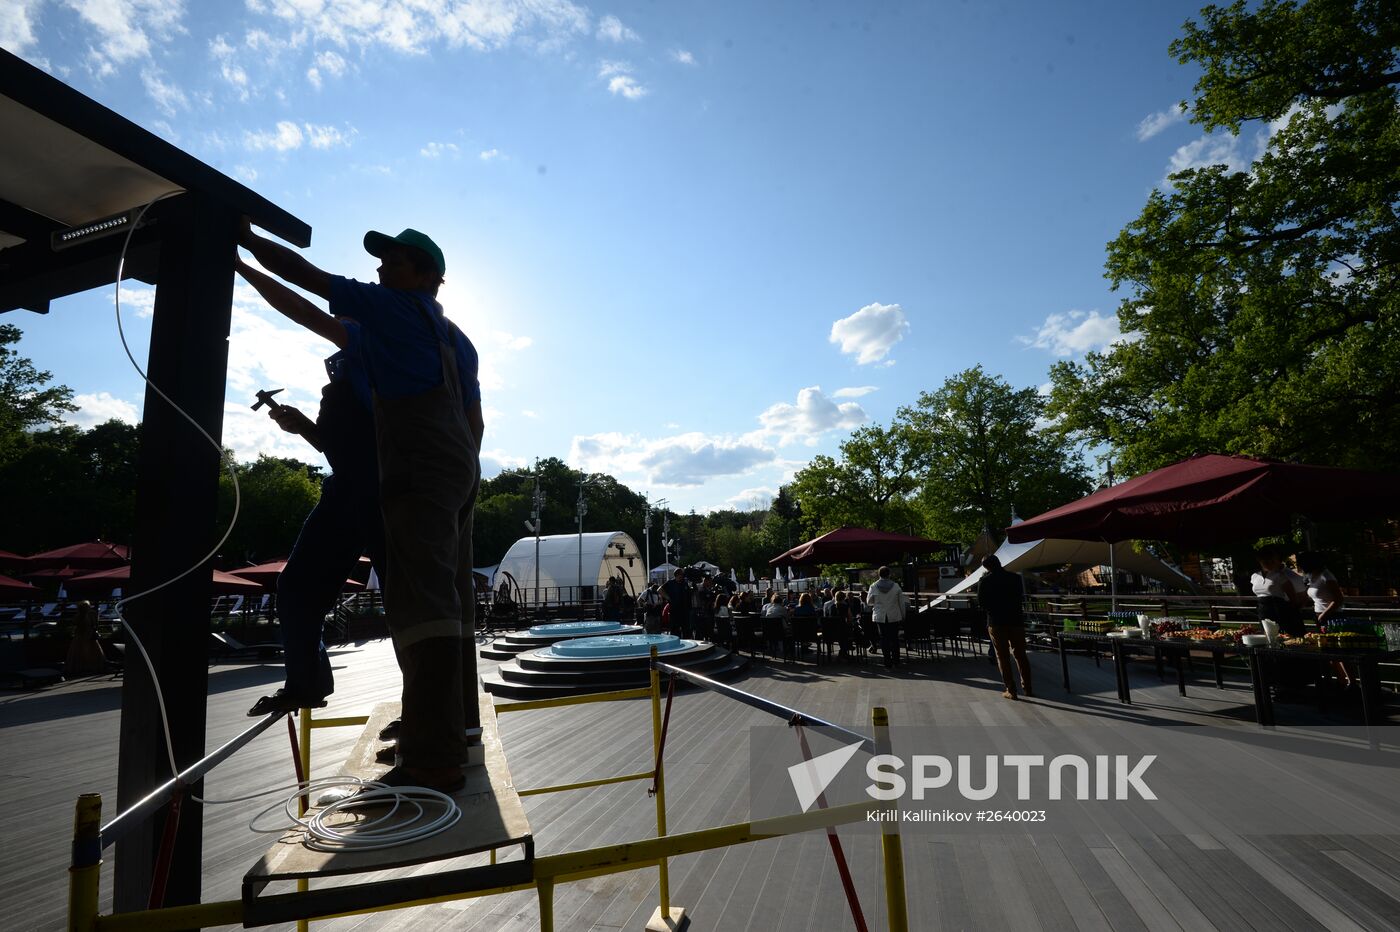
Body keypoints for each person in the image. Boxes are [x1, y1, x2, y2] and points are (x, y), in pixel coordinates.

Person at [239, 221, 483, 793]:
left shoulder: (394, 310)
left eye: (394, 262)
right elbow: (474, 418)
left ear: (426, 277)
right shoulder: (455, 339)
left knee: (421, 608)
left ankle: (433, 759)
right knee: (449, 602)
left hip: (414, 471)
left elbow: (306, 288)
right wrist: (459, 473)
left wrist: (243, 246)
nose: (380, 270)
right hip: (456, 469)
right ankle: (455, 726)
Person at [234, 261, 388, 717]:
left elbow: (303, 309)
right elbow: (341, 448)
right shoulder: (338, 386)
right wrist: (303, 427)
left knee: (404, 599)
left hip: (386, 493)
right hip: (348, 491)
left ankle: (426, 707)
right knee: (297, 586)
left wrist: (241, 263)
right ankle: (305, 681)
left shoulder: (380, 362)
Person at [977, 555, 1033, 699]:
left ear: (986, 567)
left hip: (996, 621)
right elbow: (1019, 597)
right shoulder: (1015, 578)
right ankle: (1028, 688)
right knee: (1021, 655)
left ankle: (1011, 690)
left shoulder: (985, 581)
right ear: (999, 562)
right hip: (1016, 620)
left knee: (1002, 657)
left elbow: (981, 603)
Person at [1297, 551, 1352, 689]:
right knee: (1329, 652)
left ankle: (1352, 682)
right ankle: (1341, 682)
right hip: (1320, 616)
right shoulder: (1312, 576)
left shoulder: (1326, 576)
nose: (1300, 567)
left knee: (1339, 651)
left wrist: (1324, 615)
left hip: (1333, 617)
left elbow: (1338, 599)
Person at [1251, 545, 1305, 637]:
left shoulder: (1280, 576)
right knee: (1267, 635)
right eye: (1265, 561)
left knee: (1281, 636)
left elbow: (1293, 599)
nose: (1269, 563)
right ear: (1260, 561)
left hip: (1278, 610)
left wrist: (1292, 613)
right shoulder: (1255, 576)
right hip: (1262, 610)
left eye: (1272, 561)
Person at [867, 566, 905, 668]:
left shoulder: (873, 586)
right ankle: (896, 660)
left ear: (879, 574)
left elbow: (869, 602)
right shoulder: (896, 586)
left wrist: (876, 601)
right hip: (894, 615)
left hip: (880, 615)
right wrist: (903, 615)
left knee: (884, 638)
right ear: (889, 574)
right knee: (894, 638)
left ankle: (887, 661)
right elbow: (901, 603)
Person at [661, 569, 692, 639]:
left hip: (684, 611)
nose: (682, 576)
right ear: (676, 575)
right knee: (675, 632)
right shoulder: (670, 583)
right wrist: (668, 598)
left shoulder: (685, 583)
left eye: (682, 575)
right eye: (681, 574)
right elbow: (660, 590)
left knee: (686, 631)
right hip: (674, 611)